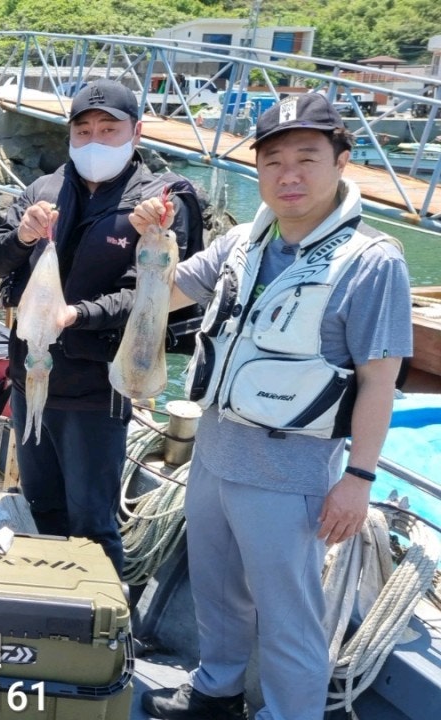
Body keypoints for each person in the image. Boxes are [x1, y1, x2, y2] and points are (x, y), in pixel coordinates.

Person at [141, 93, 412, 720]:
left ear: (342, 161)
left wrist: (359, 479)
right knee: (217, 591)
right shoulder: (244, 241)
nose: (289, 175)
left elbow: (379, 380)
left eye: (307, 158)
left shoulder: (371, 262)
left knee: (289, 615)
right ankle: (215, 691)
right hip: (214, 452)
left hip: (291, 472)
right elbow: (169, 291)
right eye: (273, 161)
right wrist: (153, 239)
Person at [0, 79, 203, 575]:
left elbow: (152, 296)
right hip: (29, 374)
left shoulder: (160, 202)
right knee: (39, 503)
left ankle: (103, 611)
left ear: (136, 133)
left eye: (109, 130)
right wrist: (21, 237)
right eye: (83, 131)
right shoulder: (42, 190)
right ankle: (47, 597)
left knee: (91, 519)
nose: (94, 141)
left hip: (97, 389)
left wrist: (78, 315)